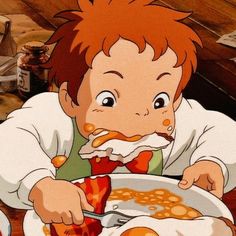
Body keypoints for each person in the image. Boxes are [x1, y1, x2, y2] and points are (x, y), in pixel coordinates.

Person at [0, 0, 235, 227]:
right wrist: (39, 183)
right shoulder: (56, 118)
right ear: (70, 99)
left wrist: (212, 163)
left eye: (159, 100)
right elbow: (10, 141)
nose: (139, 115)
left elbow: (222, 132)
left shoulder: (174, 127)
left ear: (175, 101)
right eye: (108, 100)